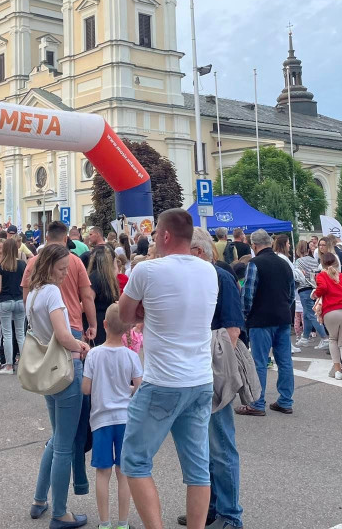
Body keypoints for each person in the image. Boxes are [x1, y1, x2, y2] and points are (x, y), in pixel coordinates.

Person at [118, 209, 217, 529]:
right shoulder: (208, 271)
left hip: (162, 381)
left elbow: (124, 316)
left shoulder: (147, 271)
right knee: (198, 468)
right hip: (200, 380)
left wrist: (145, 311)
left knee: (134, 460)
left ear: (163, 236)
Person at [27, 243, 92, 529]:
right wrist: (81, 344)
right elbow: (63, 334)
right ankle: (60, 512)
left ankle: (40, 500)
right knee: (64, 445)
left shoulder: (34, 293)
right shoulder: (51, 292)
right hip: (65, 368)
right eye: (62, 268)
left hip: (47, 371)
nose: (66, 273)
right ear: (50, 264)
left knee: (56, 440)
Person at [188, 227, 245, 529]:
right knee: (201, 446)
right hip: (195, 373)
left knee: (221, 445)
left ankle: (230, 514)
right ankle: (208, 508)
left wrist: (214, 373)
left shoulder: (220, 277)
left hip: (213, 373)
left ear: (197, 252)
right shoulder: (197, 277)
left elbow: (233, 331)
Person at [83, 303, 143, 529]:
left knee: (102, 472)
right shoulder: (131, 357)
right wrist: (127, 391)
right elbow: (140, 386)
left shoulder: (94, 355)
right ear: (128, 329)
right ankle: (123, 523)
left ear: (105, 325)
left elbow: (86, 389)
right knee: (123, 473)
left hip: (101, 421)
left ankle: (104, 523)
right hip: (125, 419)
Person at [237, 229, 295, 416]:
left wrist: (245, 315)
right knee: (285, 361)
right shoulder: (285, 264)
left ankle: (257, 402)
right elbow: (292, 293)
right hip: (283, 317)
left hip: (261, 319)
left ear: (254, 245)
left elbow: (248, 295)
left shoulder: (255, 264)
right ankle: (285, 401)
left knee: (259, 362)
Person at [312, 251, 342, 384]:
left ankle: (338, 371)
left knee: (333, 339)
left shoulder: (322, 275)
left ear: (321, 263)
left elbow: (321, 288)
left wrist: (315, 294)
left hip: (330, 311)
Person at [0, 238, 26, 375]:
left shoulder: (0, 267)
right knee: (20, 334)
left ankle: (8, 365)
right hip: (20, 300)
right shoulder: (22, 265)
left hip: (5, 300)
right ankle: (26, 365)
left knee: (7, 334)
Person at [293, 239, 327, 349]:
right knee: (307, 314)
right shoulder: (313, 260)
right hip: (313, 288)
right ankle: (305, 337)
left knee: (311, 314)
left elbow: (296, 276)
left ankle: (324, 338)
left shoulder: (298, 262)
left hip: (303, 289)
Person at [87, 245, 119, 346]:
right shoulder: (108, 278)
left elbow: (88, 300)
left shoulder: (95, 277)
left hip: (97, 321)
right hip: (105, 321)